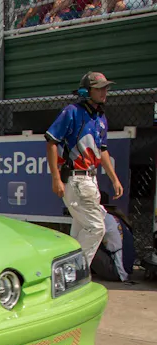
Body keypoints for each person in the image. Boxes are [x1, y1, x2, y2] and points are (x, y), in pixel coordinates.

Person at [45, 71, 124, 267]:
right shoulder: (72, 112)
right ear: (86, 91)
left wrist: (114, 179)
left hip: (90, 181)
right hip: (76, 180)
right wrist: (56, 178)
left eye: (106, 88)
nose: (104, 92)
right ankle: (75, 271)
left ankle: (65, 272)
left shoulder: (100, 118)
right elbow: (52, 142)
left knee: (79, 232)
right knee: (96, 228)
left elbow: (102, 150)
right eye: (99, 89)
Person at [91, 191, 135, 282]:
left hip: (117, 271)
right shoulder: (113, 216)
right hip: (124, 270)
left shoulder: (102, 218)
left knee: (85, 246)